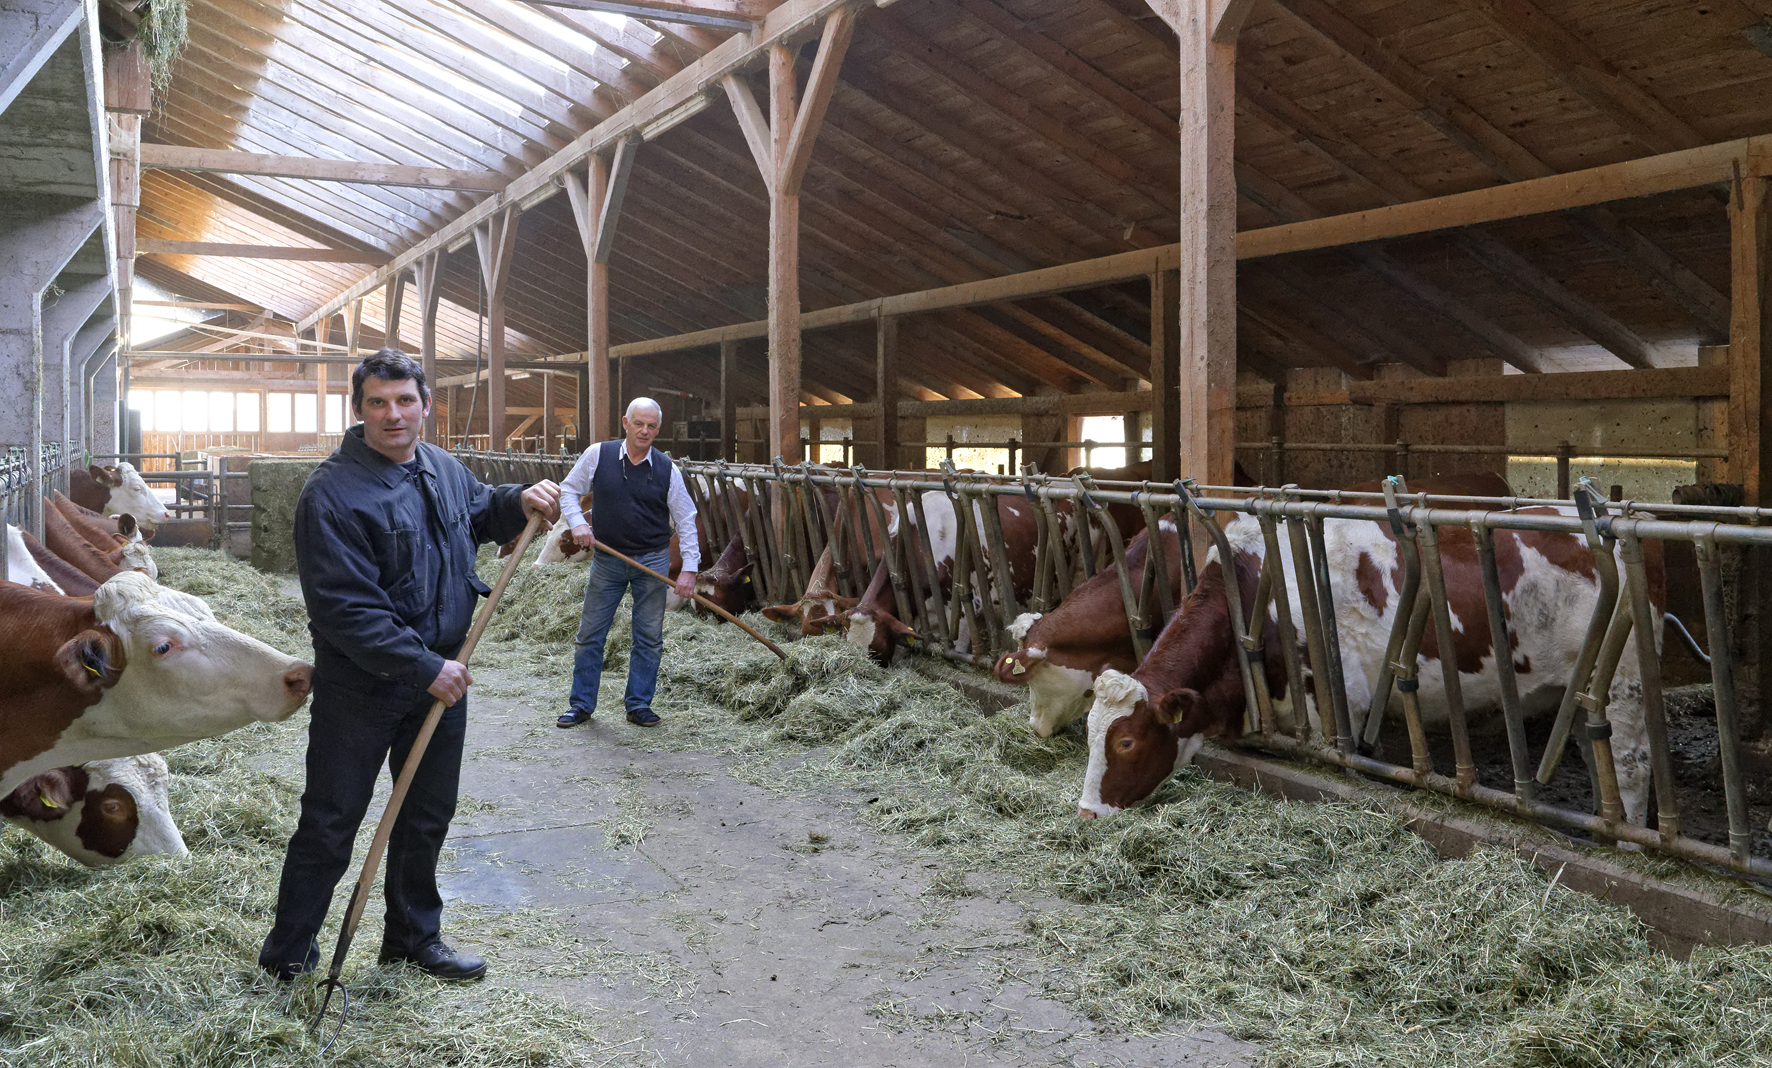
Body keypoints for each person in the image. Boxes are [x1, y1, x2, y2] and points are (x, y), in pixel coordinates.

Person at [259, 349, 561, 983]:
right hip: (362, 687)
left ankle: (412, 939)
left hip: (441, 680)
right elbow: (346, 609)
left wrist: (518, 500)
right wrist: (424, 666)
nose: (393, 414)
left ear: (426, 405)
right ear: (358, 410)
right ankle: (288, 958)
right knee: (331, 821)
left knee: (425, 815)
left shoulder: (443, 469)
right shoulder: (331, 494)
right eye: (378, 402)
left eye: (404, 401)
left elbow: (480, 512)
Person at [554, 396, 699, 729]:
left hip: (653, 561)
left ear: (658, 429)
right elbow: (569, 490)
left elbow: (686, 518)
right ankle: (581, 705)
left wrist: (689, 568)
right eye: (638, 424)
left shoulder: (667, 469)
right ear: (625, 423)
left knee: (648, 636)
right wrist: (578, 523)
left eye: (651, 426)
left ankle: (638, 704)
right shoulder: (598, 454)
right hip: (608, 559)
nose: (644, 431)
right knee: (590, 633)